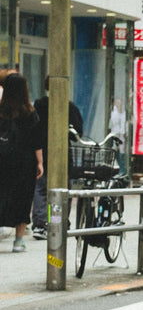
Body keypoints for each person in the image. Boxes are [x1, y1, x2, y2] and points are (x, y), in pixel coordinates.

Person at [32, 76, 84, 239]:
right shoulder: (69, 107)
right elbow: (78, 133)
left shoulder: (39, 105)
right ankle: (58, 221)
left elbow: (34, 128)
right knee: (62, 188)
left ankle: (40, 224)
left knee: (41, 189)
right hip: (62, 153)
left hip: (41, 150)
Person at [0, 73, 44, 252]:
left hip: (3, 160)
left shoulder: (1, 111)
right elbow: (36, 140)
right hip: (24, 162)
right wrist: (40, 163)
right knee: (23, 198)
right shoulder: (30, 113)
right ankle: (18, 241)